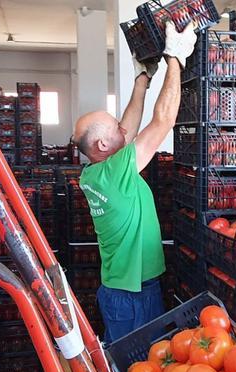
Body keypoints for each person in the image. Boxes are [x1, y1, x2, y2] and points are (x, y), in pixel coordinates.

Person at [73, 21, 197, 343]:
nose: (122, 129)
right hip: (132, 297)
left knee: (139, 366)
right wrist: (175, 59)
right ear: (103, 146)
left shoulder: (96, 171)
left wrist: (142, 78)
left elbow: (127, 125)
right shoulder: (116, 171)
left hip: (125, 289)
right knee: (137, 369)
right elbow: (163, 121)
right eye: (114, 127)